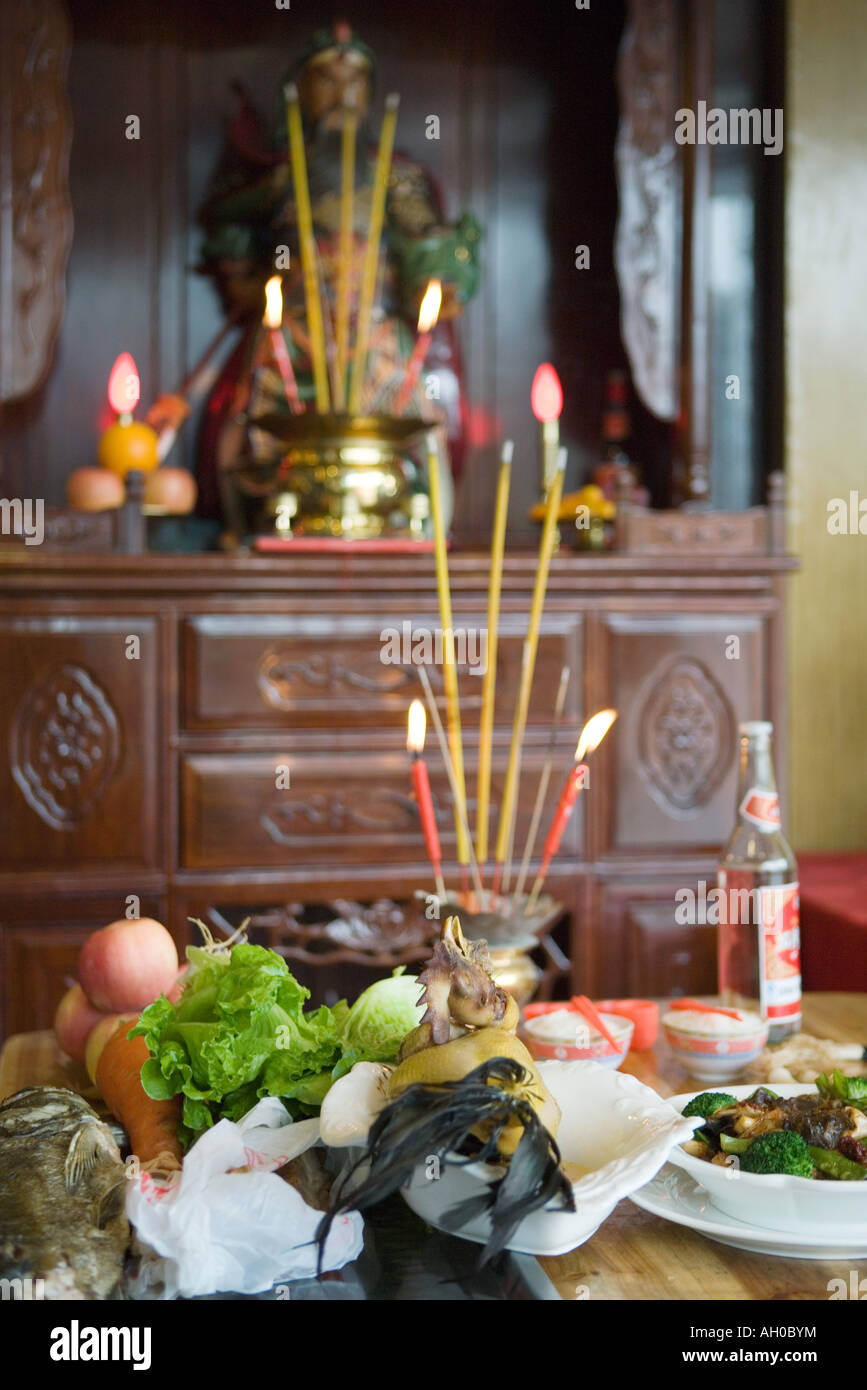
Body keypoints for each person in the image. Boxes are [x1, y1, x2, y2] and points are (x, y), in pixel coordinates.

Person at [190, 22, 481, 519]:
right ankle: (249, 517)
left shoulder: (395, 174)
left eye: (356, 81)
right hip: (295, 328)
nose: (343, 94)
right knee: (250, 414)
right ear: (301, 91)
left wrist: (441, 272)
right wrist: (243, 271)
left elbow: (425, 246)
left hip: (373, 330)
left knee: (419, 415)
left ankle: (420, 517)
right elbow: (229, 221)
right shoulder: (280, 174)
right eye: (327, 79)